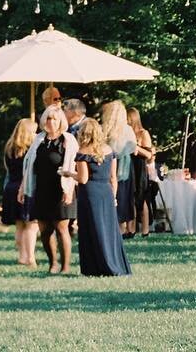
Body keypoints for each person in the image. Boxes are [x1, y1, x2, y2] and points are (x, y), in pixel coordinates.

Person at [19, 104, 77, 276]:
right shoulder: (39, 140)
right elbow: (29, 165)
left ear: (61, 121)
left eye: (54, 119)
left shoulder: (68, 140)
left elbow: (74, 165)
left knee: (61, 228)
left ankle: (66, 267)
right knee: (44, 230)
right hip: (42, 189)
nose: (51, 122)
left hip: (62, 188)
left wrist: (69, 189)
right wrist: (23, 187)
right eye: (48, 118)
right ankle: (53, 263)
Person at [74, 117, 131, 278]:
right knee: (108, 229)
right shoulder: (108, 150)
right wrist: (113, 197)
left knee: (92, 228)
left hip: (90, 193)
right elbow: (114, 178)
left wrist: (68, 174)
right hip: (106, 192)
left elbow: (83, 178)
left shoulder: (83, 153)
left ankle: (95, 266)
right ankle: (114, 262)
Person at [1, 117, 38, 267]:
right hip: (25, 187)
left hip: (10, 187)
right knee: (31, 225)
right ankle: (30, 258)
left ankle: (21, 256)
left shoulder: (9, 147)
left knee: (19, 225)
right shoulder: (31, 149)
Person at [100, 100, 138, 237]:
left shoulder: (105, 130)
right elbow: (133, 148)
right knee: (124, 196)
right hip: (125, 167)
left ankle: (113, 225)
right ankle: (123, 227)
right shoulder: (127, 129)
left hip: (109, 164)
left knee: (112, 194)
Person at [127, 107, 156, 236]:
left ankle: (145, 229)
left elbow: (149, 155)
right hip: (128, 166)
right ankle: (131, 228)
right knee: (130, 198)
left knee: (142, 198)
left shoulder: (143, 133)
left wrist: (137, 147)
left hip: (140, 168)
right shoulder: (125, 133)